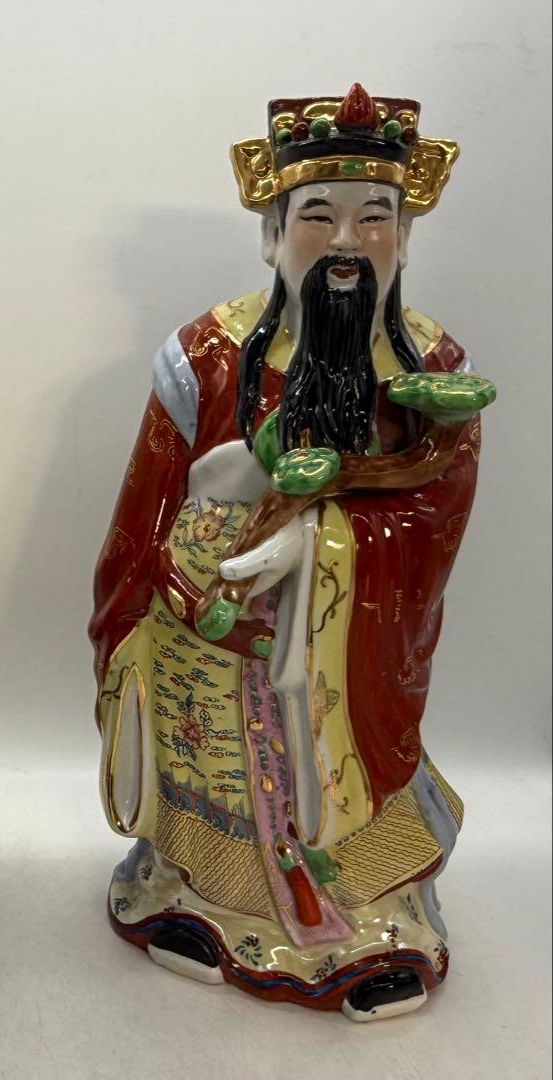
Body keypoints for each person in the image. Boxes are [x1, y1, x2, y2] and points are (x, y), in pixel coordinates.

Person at [89, 85, 494, 1020]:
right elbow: (146, 502)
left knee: (331, 782)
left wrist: (316, 548)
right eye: (317, 216)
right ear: (272, 235)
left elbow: (439, 515)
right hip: (203, 634)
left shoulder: (434, 370)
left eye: (374, 218)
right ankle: (197, 894)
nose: (346, 242)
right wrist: (160, 594)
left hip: (343, 655)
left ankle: (375, 918)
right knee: (209, 773)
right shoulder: (202, 354)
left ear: (403, 238)